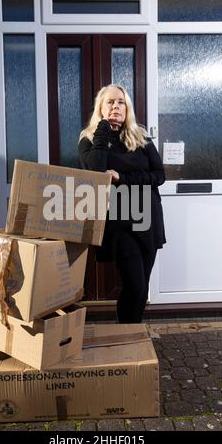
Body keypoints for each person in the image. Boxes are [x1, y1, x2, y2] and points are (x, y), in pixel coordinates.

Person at [78, 84, 166, 323]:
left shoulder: (141, 137)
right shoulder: (90, 139)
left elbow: (159, 176)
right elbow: (95, 171)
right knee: (135, 286)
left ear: (127, 108)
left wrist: (122, 178)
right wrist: (103, 130)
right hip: (119, 218)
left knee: (140, 289)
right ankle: (128, 334)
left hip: (147, 217)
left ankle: (130, 334)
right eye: (110, 102)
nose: (116, 106)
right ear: (100, 107)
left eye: (121, 102)